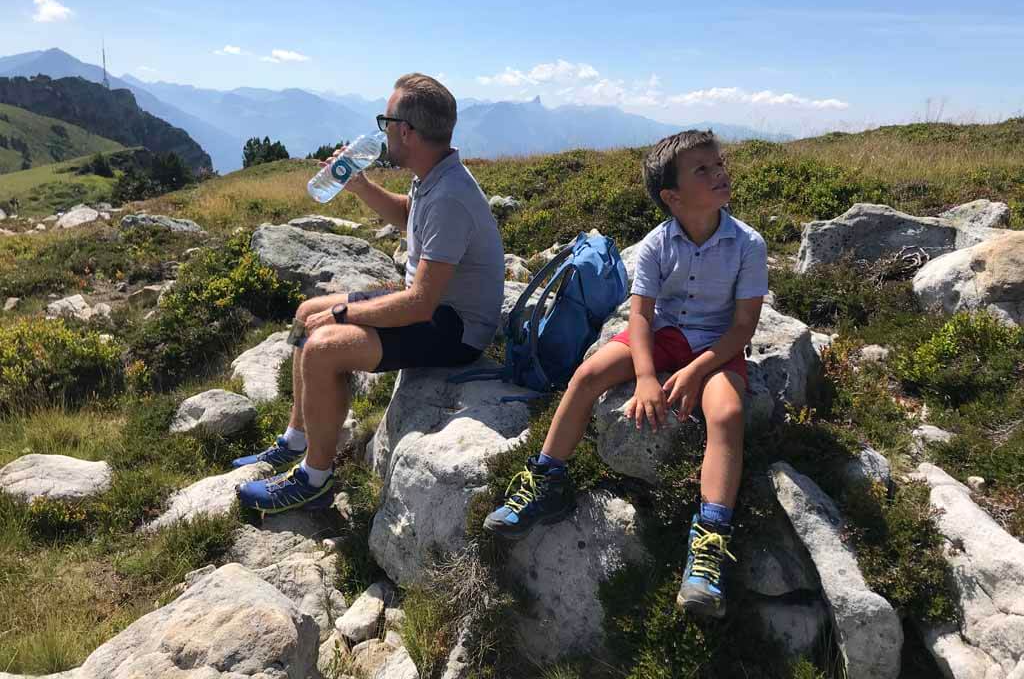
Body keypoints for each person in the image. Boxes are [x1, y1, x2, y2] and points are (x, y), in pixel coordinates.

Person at [482, 130, 768, 619]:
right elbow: (640, 317)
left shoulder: (747, 244)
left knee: (727, 413)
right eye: (702, 169)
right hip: (663, 335)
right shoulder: (658, 244)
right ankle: (546, 478)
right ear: (672, 198)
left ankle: (710, 544)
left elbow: (743, 327)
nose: (720, 171)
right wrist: (646, 377)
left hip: (716, 347)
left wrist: (698, 371)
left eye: (717, 162)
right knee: (587, 375)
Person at [236, 73, 505, 514]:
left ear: (406, 131)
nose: (381, 132)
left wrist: (343, 315)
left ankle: (314, 478)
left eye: (386, 122)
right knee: (307, 313)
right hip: (432, 306)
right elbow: (407, 216)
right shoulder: (433, 174)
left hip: (456, 328)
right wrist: (359, 185)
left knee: (322, 346)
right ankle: (296, 438)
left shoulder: (449, 197)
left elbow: (420, 304)